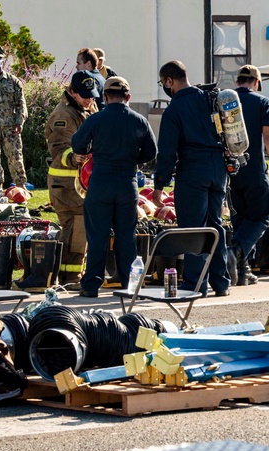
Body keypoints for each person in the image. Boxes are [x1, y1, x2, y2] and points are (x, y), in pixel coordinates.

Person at [71, 76, 156, 298]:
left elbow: (77, 143)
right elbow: (151, 153)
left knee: (97, 235)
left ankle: (91, 285)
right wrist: (133, 157)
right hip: (127, 184)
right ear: (128, 97)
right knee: (126, 236)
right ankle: (128, 283)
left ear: (105, 97)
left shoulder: (96, 119)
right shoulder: (139, 121)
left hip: (100, 182)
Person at [153, 60, 230, 297]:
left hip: (192, 170)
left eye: (163, 83)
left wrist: (159, 185)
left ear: (169, 81)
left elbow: (167, 152)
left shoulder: (174, 110)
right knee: (215, 224)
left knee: (194, 227)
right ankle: (221, 282)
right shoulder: (209, 99)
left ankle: (196, 284)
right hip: (218, 170)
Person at [227, 64, 269, 286]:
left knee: (241, 220)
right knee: (262, 216)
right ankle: (235, 251)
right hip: (254, 169)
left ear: (237, 81)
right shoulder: (262, 102)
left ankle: (243, 273)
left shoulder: (225, 103)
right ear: (256, 82)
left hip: (231, 172)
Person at [43, 70, 99, 289]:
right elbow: (58, 147)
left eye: (92, 94)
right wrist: (73, 157)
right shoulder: (63, 115)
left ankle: (70, 274)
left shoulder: (84, 107)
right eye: (85, 95)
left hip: (77, 184)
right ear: (72, 92)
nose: (90, 99)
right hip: (66, 185)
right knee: (77, 229)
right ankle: (71, 278)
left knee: (76, 229)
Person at [0, 45, 28, 189]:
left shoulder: (13, 81)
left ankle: (20, 186)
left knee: (15, 157)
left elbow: (21, 104)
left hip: (10, 126)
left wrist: (19, 122)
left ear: (2, 61)